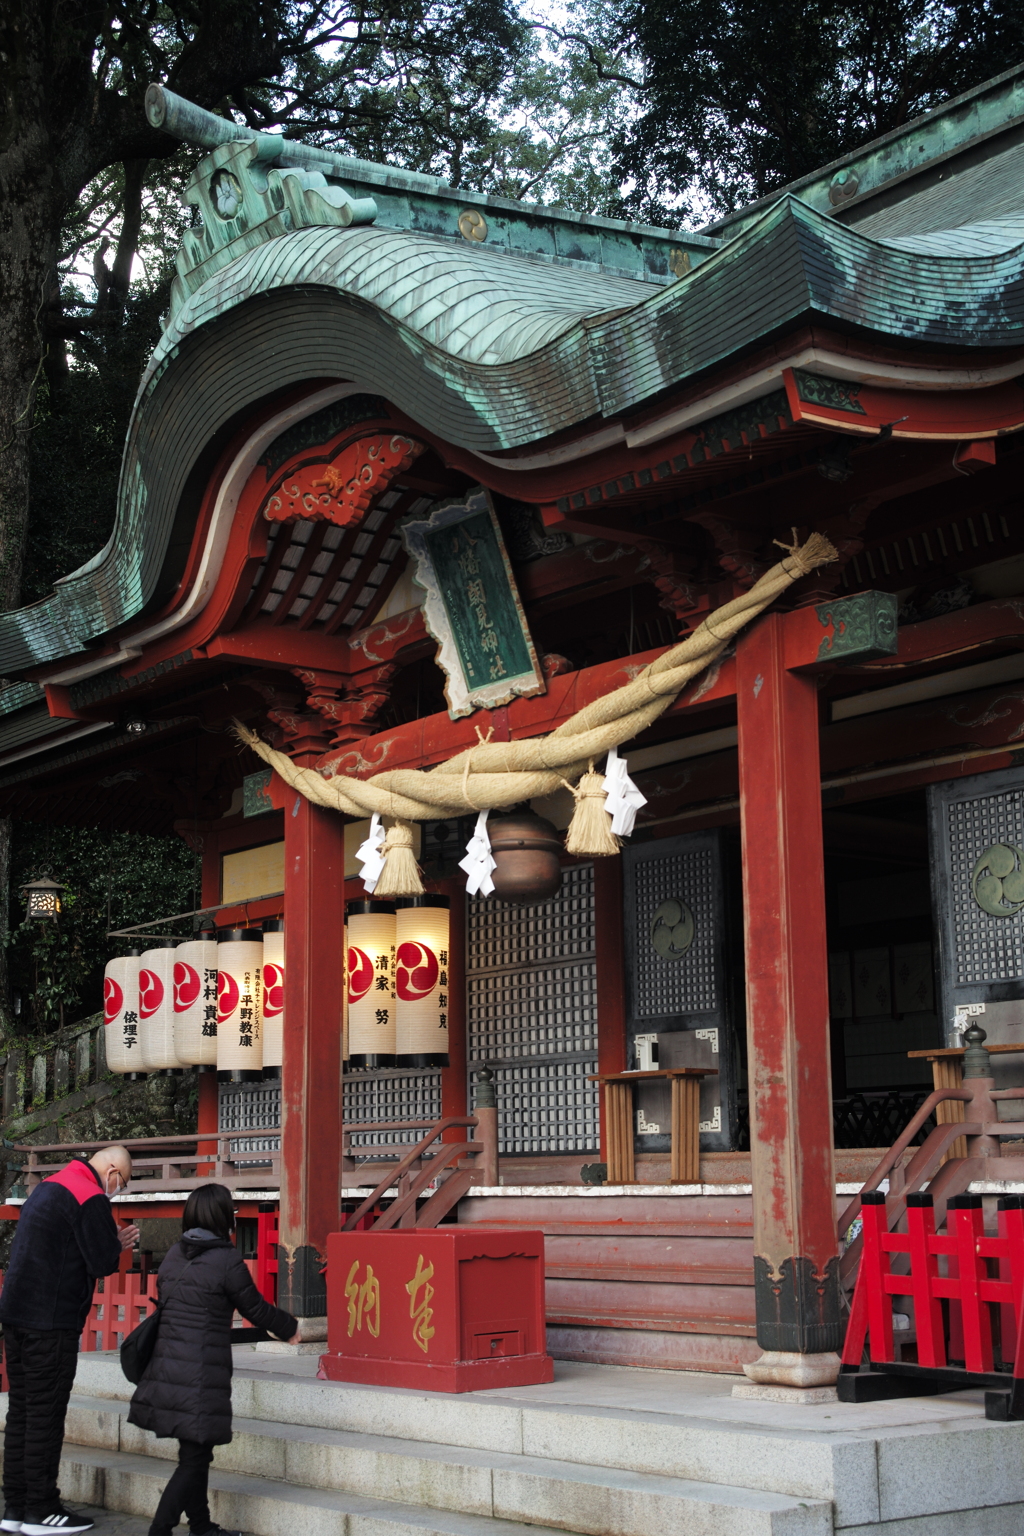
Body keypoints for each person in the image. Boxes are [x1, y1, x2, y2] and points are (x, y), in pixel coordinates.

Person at [128, 1183, 298, 1536]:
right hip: (200, 1373)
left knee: (195, 1452)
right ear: (222, 1217)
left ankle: (202, 1527)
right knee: (194, 1459)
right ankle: (159, 1530)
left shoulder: (175, 1254)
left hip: (169, 1366)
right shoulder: (225, 1260)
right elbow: (254, 1307)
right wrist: (290, 1327)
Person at [0, 1144, 140, 1536]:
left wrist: (108, 1239)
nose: (118, 1189)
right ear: (112, 1169)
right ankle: (42, 1510)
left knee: (23, 1412)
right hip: (50, 1319)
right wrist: (119, 1243)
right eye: (122, 1183)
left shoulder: (49, 1186)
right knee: (45, 1415)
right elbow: (101, 1261)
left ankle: (15, 1505)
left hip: (16, 1313)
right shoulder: (90, 1195)